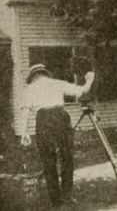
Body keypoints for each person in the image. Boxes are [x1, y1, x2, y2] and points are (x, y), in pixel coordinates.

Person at [20, 64, 95, 207]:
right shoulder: (57, 83)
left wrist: (24, 132)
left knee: (49, 161)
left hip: (43, 119)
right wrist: (89, 80)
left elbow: (25, 111)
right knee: (67, 157)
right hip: (60, 116)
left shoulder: (29, 89)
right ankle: (66, 197)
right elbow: (82, 91)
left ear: (33, 76)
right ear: (44, 74)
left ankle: (56, 201)